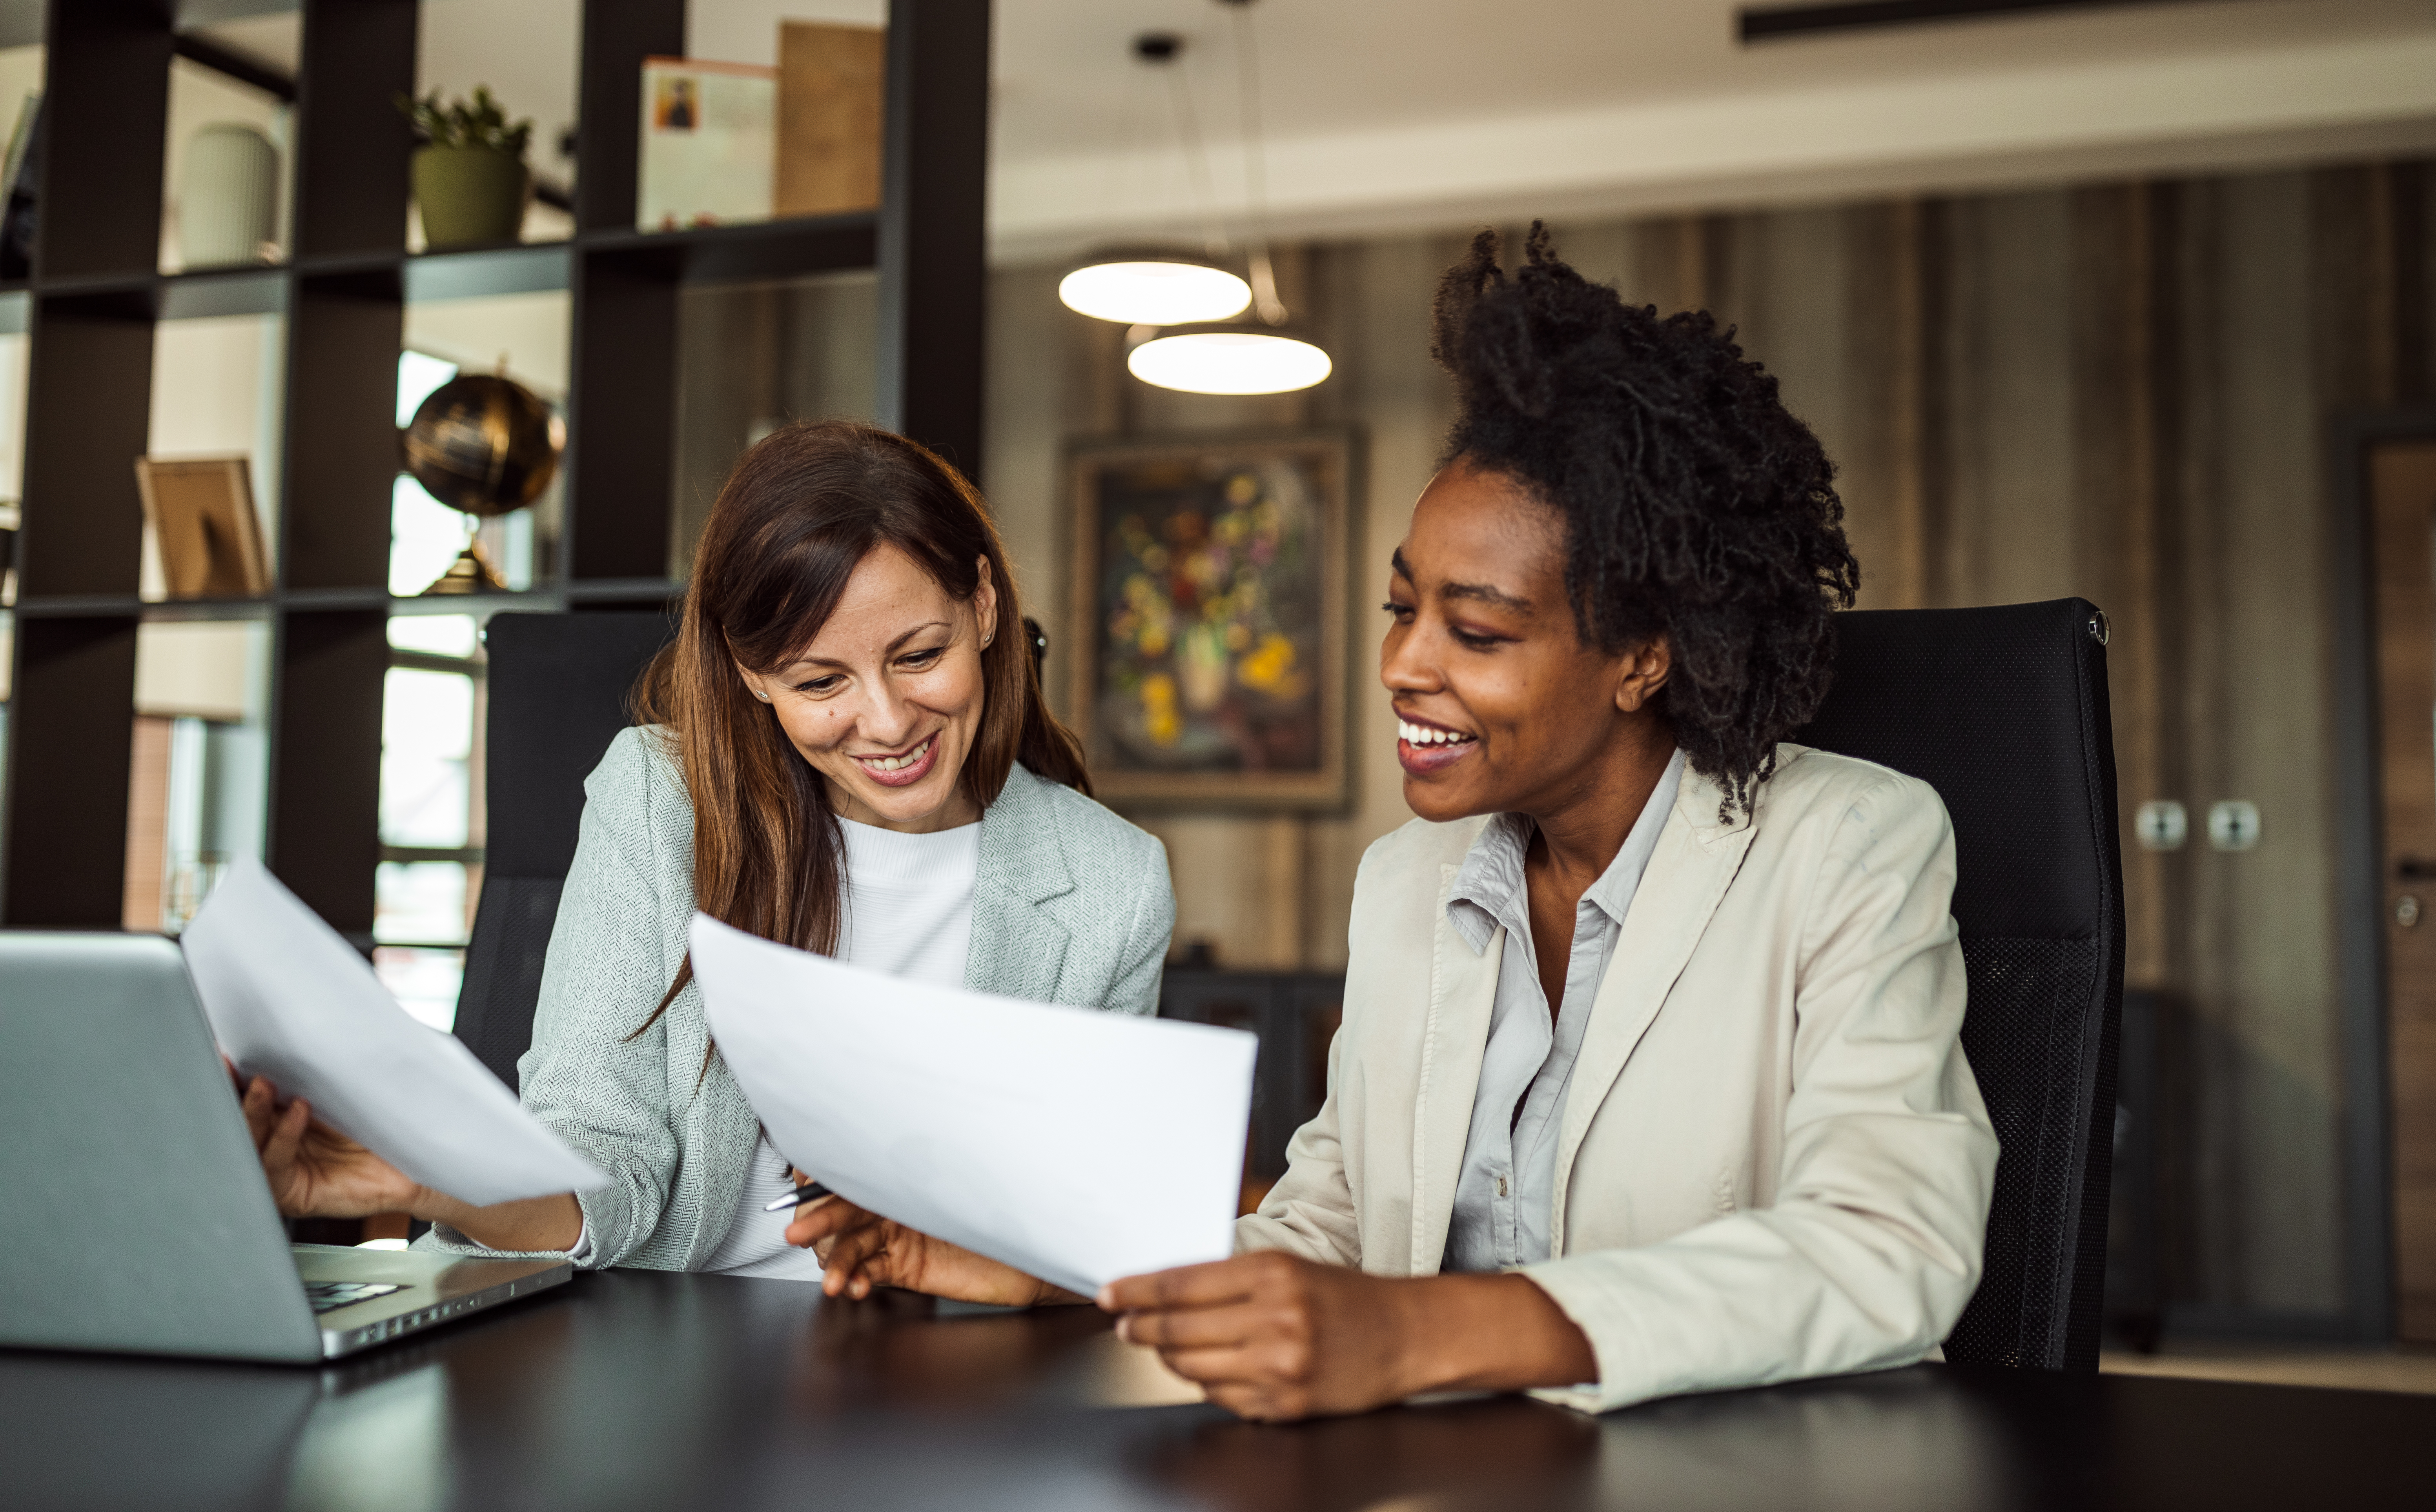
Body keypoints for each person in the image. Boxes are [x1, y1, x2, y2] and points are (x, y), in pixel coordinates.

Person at [814, 227, 1997, 1416]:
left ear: (1646, 656)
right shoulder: (1408, 878)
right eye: (1400, 608)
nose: (1402, 664)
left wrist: (1422, 1332)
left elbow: (1890, 1243)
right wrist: (1066, 1270)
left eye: (1476, 632)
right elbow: (1334, 1214)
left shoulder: (1850, 845)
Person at [243, 421, 1175, 1288]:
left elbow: (1085, 1227)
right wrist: (429, 1177)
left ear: (981, 606)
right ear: (751, 672)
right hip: (666, 1342)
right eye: (821, 680)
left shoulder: (1112, 883)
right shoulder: (661, 800)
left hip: (944, 1360)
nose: (888, 722)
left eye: (919, 654)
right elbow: (599, 1148)